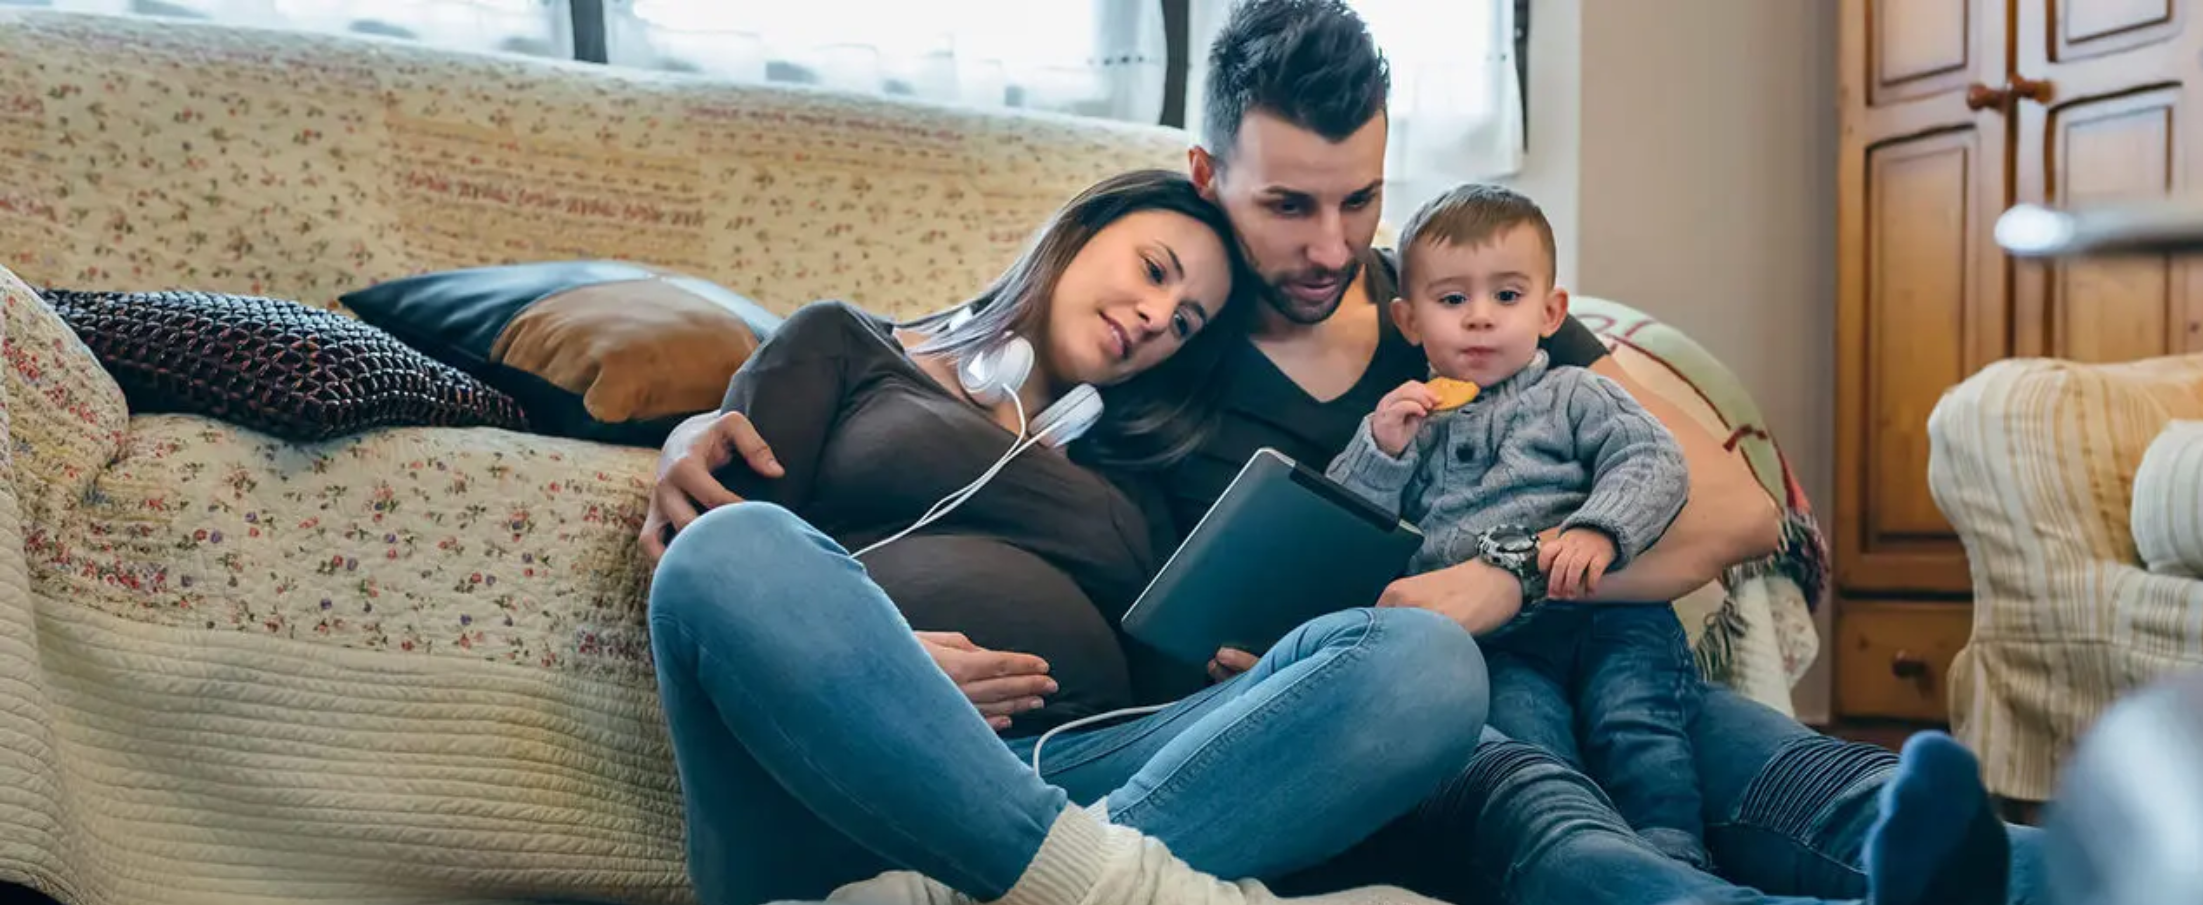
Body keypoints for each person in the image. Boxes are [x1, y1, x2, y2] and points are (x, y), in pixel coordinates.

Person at [644, 2, 2047, 904]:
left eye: (1359, 198)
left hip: (1542, 647)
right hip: (1348, 717)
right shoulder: (1152, 379)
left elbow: (1735, 506)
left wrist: (1505, 580)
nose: (1329, 247)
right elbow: (939, 454)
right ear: (1207, 181)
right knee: (1450, 708)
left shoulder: (1459, 314)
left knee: (1795, 773)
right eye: (1287, 206)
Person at [648, 169, 1489, 905]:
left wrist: (1255, 674)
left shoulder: (1142, 469)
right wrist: (883, 664)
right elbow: (725, 568)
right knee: (729, 552)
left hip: (1088, 777)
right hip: (841, 780)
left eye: (1187, 322)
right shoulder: (844, 345)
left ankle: (988, 883)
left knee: (1427, 662)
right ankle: (1088, 884)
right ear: (1080, 230)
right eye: (1154, 270)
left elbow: (1170, 698)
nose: (1159, 315)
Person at [1322, 181, 1712, 871]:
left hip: (1609, 613)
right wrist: (1379, 449)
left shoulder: (1574, 391)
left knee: (1637, 729)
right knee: (1530, 744)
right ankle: (1580, 857)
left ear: (1551, 310)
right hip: (1499, 644)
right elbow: (1343, 527)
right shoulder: (1410, 421)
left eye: (1506, 296)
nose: (1479, 318)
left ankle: (1674, 855)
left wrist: (1596, 530)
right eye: (1451, 300)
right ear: (1410, 321)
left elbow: (1654, 459)